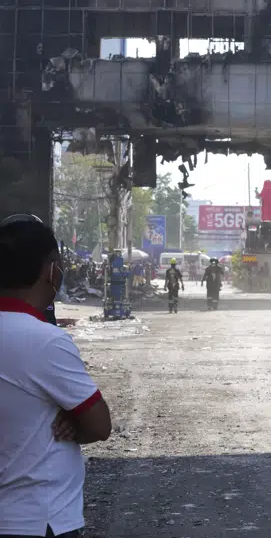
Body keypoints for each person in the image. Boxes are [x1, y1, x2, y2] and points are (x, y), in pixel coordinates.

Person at [0, 215, 112, 538]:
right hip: (39, 519)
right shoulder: (46, 342)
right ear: (51, 271)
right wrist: (75, 421)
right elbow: (99, 425)